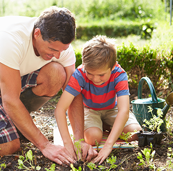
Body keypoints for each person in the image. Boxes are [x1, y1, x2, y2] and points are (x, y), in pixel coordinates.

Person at [0, 6, 96, 165]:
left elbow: (74, 92)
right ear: (37, 34)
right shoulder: (10, 39)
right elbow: (10, 99)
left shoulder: (60, 48)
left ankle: (13, 120)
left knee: (57, 74)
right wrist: (45, 145)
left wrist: (79, 141)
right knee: (8, 145)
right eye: (52, 49)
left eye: (61, 50)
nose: (57, 55)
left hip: (14, 76)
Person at [54, 35, 142, 164]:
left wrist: (108, 145)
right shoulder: (79, 74)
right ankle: (103, 126)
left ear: (112, 67)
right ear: (84, 66)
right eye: (90, 73)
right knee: (93, 138)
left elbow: (123, 111)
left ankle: (106, 124)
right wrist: (68, 143)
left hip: (112, 109)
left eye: (101, 75)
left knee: (135, 133)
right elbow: (60, 109)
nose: (95, 79)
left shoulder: (119, 74)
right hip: (90, 110)